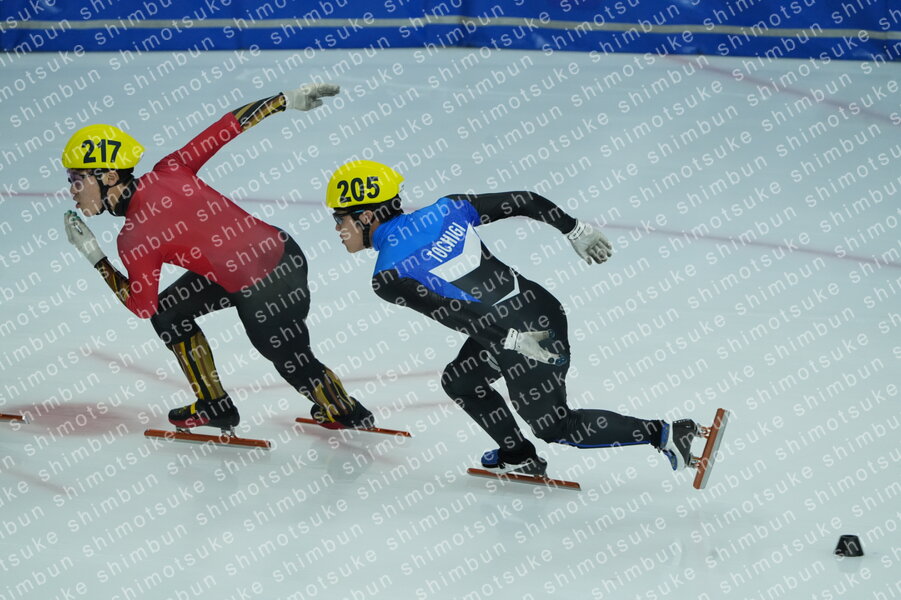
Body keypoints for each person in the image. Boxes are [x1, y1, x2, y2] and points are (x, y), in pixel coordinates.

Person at [324, 160, 697, 476]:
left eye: (340, 219)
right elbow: (525, 200)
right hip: (537, 309)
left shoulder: (388, 275)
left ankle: (664, 433)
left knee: (556, 426)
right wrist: (574, 229)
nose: (338, 230)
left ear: (366, 215)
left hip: (517, 337)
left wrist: (512, 341)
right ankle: (518, 456)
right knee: (461, 380)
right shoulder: (447, 208)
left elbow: (455, 314)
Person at [61, 84, 374, 436]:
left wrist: (95, 257)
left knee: (292, 362)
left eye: (77, 180)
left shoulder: (134, 237)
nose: (72, 190)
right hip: (280, 252)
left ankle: (346, 411)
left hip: (265, 285)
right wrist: (283, 101)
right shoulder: (170, 168)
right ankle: (214, 404)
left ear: (109, 177)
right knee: (169, 313)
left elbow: (141, 306)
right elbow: (228, 126)